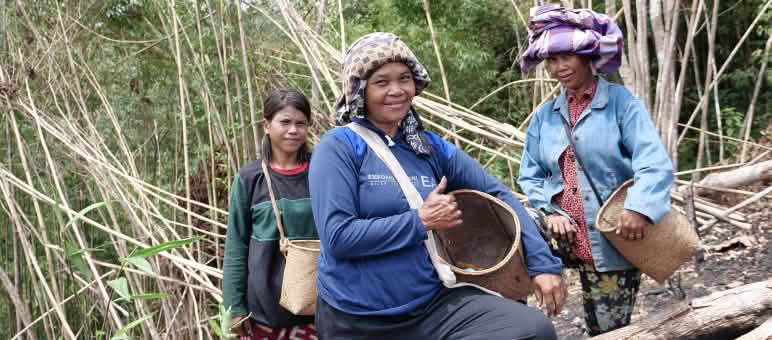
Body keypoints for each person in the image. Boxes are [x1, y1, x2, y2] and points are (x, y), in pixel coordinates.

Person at [309, 32, 564, 340]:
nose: (396, 90)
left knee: (533, 330)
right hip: (358, 319)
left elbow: (497, 194)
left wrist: (542, 264)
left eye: (404, 78)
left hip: (430, 306)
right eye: (381, 82)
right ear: (360, 90)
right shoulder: (339, 147)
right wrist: (420, 221)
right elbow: (338, 237)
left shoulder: (427, 147)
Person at [518, 4, 675, 336]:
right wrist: (549, 211)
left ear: (587, 55)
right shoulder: (545, 116)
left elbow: (654, 164)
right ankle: (513, 321)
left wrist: (639, 207)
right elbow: (530, 174)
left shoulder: (621, 104)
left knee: (607, 329)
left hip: (613, 236)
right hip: (562, 235)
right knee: (514, 230)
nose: (559, 67)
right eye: (552, 60)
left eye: (566, 57)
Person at [222, 89, 317, 340]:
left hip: (318, 310)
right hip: (263, 314)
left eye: (301, 123)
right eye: (285, 122)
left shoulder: (323, 172)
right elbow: (236, 246)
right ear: (266, 125)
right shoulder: (249, 179)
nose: (293, 130)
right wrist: (234, 308)